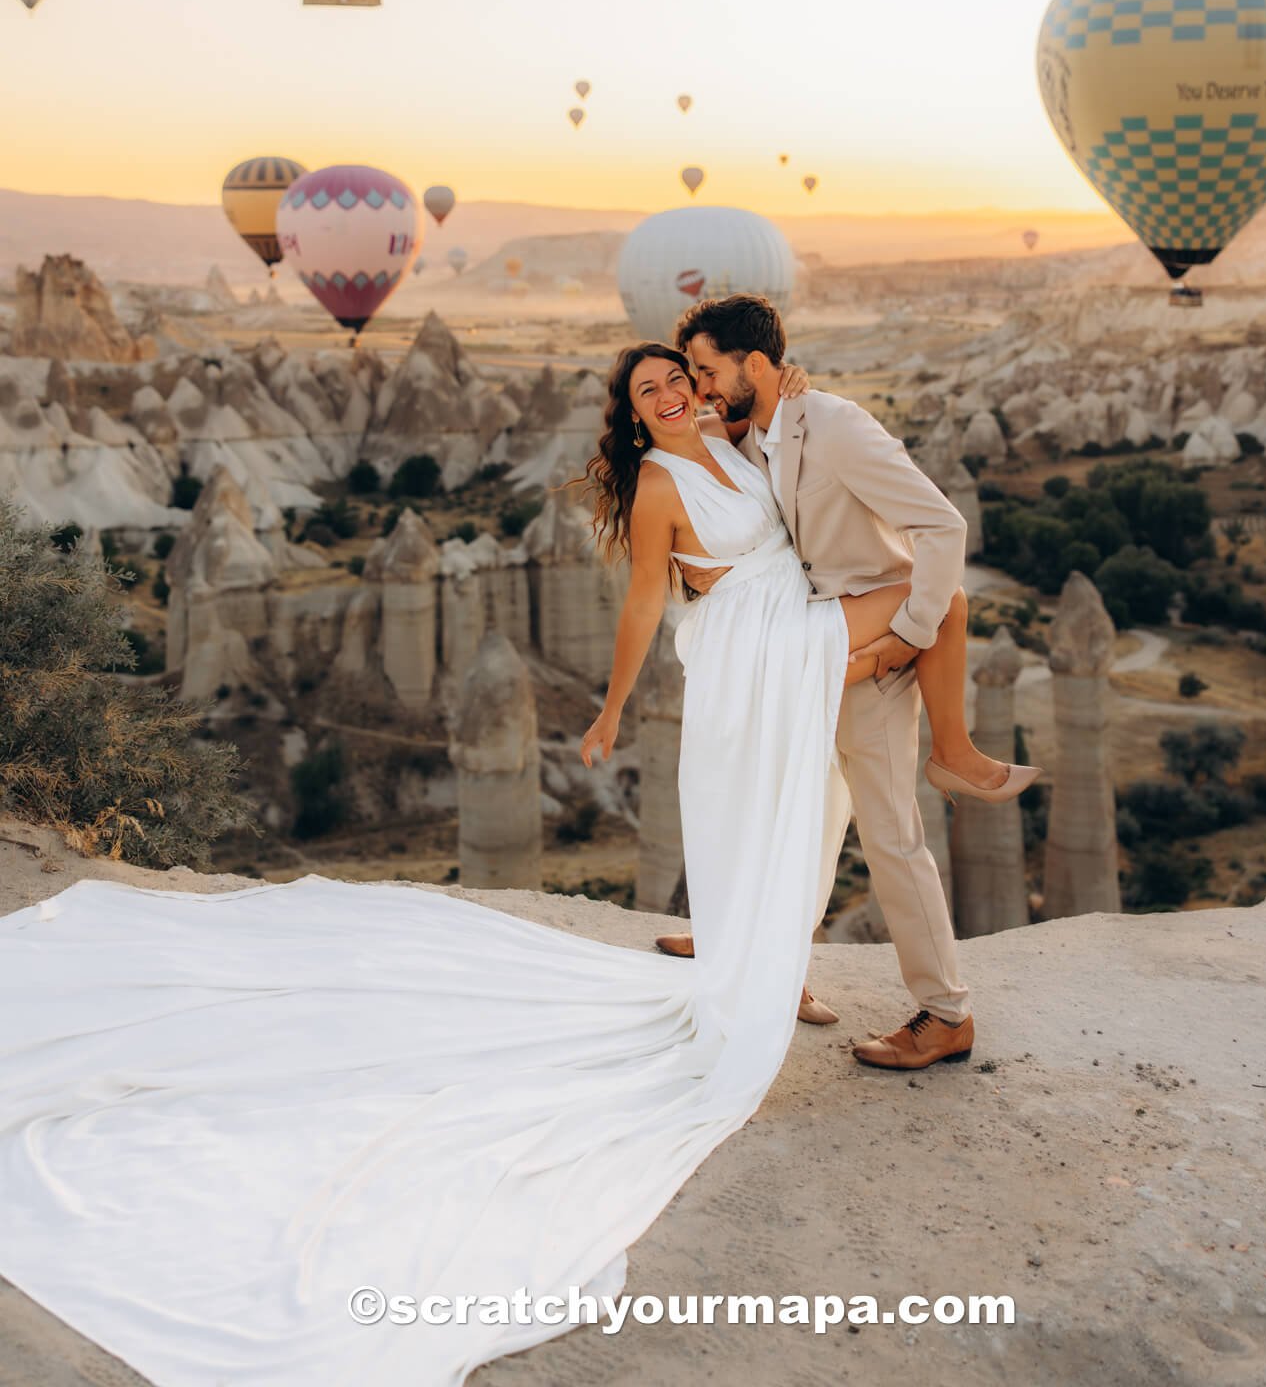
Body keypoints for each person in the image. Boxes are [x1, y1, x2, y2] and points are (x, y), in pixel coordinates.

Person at [0, 340, 947, 1387]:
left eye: (681, 375)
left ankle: (782, 938)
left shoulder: (739, 438)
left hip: (785, 630)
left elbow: (788, 441)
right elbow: (643, 600)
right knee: (879, 657)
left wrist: (789, 395)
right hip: (743, 649)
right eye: (649, 389)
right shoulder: (656, 489)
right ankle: (910, 802)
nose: (673, 392)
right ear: (631, 416)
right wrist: (613, 702)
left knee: (807, 787)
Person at [673, 292, 1036, 1072]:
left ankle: (945, 1013)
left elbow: (942, 527)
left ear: (757, 365)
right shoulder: (744, 428)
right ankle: (779, 969)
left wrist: (906, 637)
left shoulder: (832, 425)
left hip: (867, 653)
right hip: (805, 653)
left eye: (708, 371)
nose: (701, 388)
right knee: (800, 815)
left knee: (889, 833)